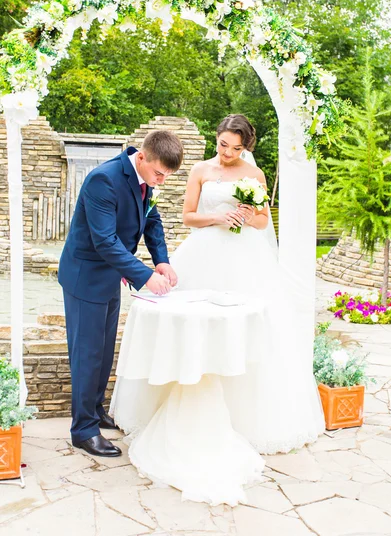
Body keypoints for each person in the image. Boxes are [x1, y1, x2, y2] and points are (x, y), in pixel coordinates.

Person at [111, 114, 324, 502]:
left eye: (236, 149)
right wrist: (218, 217)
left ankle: (244, 420)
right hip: (203, 253)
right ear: (217, 139)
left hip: (246, 260)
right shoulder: (199, 169)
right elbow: (188, 216)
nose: (227, 154)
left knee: (249, 328)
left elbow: (262, 222)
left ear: (247, 148)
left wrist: (246, 216)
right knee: (193, 323)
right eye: (224, 145)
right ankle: (185, 404)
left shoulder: (255, 176)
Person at [58, 130, 183, 457]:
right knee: (87, 354)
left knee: (102, 351)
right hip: (85, 278)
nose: (162, 181)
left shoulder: (146, 181)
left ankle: (95, 410)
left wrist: (163, 262)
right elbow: (105, 241)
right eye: (159, 174)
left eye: (168, 177)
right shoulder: (104, 180)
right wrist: (144, 276)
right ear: (141, 157)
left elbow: (151, 222)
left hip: (111, 276)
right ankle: (83, 430)